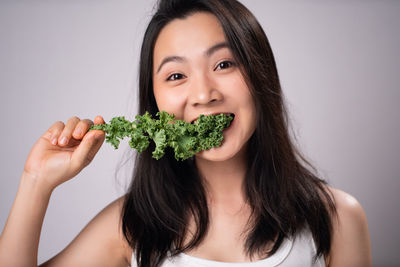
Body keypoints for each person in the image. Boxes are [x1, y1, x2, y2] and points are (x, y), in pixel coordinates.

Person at [0, 0, 372, 266]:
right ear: (156, 102)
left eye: (224, 64)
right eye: (176, 75)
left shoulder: (337, 218)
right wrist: (36, 182)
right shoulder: (130, 226)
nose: (203, 94)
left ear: (261, 77)